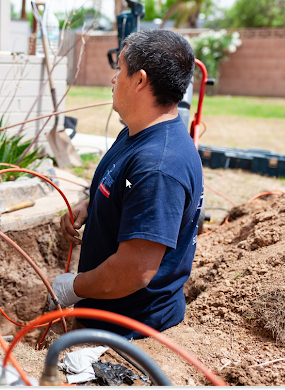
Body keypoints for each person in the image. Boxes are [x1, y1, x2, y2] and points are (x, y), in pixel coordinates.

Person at [50, 29, 204, 339]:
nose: (113, 79)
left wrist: (73, 287)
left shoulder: (158, 167)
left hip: (127, 330)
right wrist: (93, 205)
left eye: (119, 69)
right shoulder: (138, 133)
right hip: (106, 316)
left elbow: (133, 272)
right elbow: (126, 191)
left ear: (140, 80)